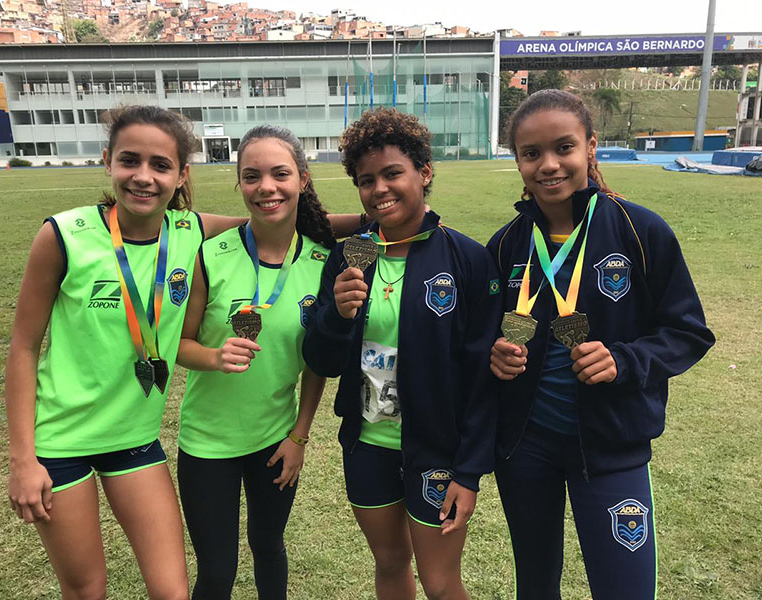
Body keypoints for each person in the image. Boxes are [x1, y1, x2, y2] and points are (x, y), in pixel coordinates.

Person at [487, 89, 715, 600]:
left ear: (590, 146)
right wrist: (495, 355)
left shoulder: (640, 230)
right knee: (535, 586)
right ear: (518, 161)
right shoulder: (504, 245)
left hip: (611, 447)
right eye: (531, 154)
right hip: (526, 450)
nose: (548, 165)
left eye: (563, 147)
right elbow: (485, 337)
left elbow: (688, 331)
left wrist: (625, 360)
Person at [5, 105, 205, 600]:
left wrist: (379, 218)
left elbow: (274, 224)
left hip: (133, 439)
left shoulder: (191, 231)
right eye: (129, 160)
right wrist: (23, 461)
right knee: (87, 590)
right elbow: (24, 348)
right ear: (107, 161)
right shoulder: (63, 235)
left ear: (181, 175)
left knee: (172, 592)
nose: (143, 177)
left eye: (160, 165)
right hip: (60, 445)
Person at [303, 107, 500, 600]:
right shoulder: (351, 255)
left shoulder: (466, 257)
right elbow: (322, 360)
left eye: (393, 173)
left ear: (424, 172)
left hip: (436, 450)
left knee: (439, 581)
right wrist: (337, 317)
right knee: (390, 563)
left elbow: (483, 376)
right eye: (366, 180)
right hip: (367, 444)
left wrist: (470, 470)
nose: (379, 190)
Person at [175, 125, 334, 600]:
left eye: (280, 174)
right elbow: (178, 343)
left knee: (269, 546)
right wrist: (213, 355)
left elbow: (317, 362)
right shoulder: (211, 254)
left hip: (276, 440)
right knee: (218, 571)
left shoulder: (323, 261)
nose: (266, 187)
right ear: (239, 184)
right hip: (207, 443)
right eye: (252, 176)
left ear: (302, 180)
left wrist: (299, 436)